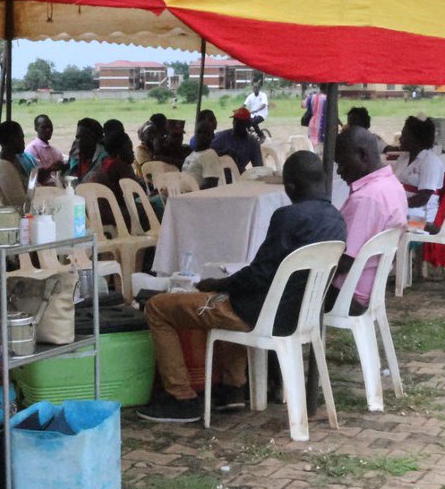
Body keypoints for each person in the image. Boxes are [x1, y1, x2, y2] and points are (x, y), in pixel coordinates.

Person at [139, 151, 347, 422]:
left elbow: (257, 277)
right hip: (300, 315)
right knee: (226, 295)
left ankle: (181, 397)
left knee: (158, 307)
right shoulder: (337, 219)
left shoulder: (287, 217)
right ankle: (233, 387)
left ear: (290, 188)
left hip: (260, 313)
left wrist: (216, 283)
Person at [326, 127, 407, 314]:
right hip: (368, 288)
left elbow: (345, 260)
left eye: (343, 164)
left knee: (278, 285)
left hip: (347, 294)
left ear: (363, 155)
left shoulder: (367, 198)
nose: (339, 171)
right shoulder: (392, 185)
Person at [396, 116, 445, 224]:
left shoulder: (430, 162)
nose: (400, 139)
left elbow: (423, 198)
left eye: (404, 136)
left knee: (383, 224)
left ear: (416, 139)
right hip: (404, 211)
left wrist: (397, 205)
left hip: (421, 218)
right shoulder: (403, 158)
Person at [0, 120, 29, 208]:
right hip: (11, 217)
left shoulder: (13, 159)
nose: (23, 141)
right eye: (21, 138)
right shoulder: (3, 167)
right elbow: (20, 203)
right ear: (12, 139)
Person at [23, 114, 64, 187]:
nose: (48, 130)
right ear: (36, 128)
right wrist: (50, 169)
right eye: (44, 127)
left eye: (50, 127)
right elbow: (36, 178)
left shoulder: (55, 151)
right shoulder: (31, 149)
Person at [182, 119, 224, 189]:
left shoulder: (209, 155)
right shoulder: (194, 153)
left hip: (193, 196)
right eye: (199, 132)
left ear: (212, 136)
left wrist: (192, 193)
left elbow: (211, 184)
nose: (201, 135)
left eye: (206, 133)